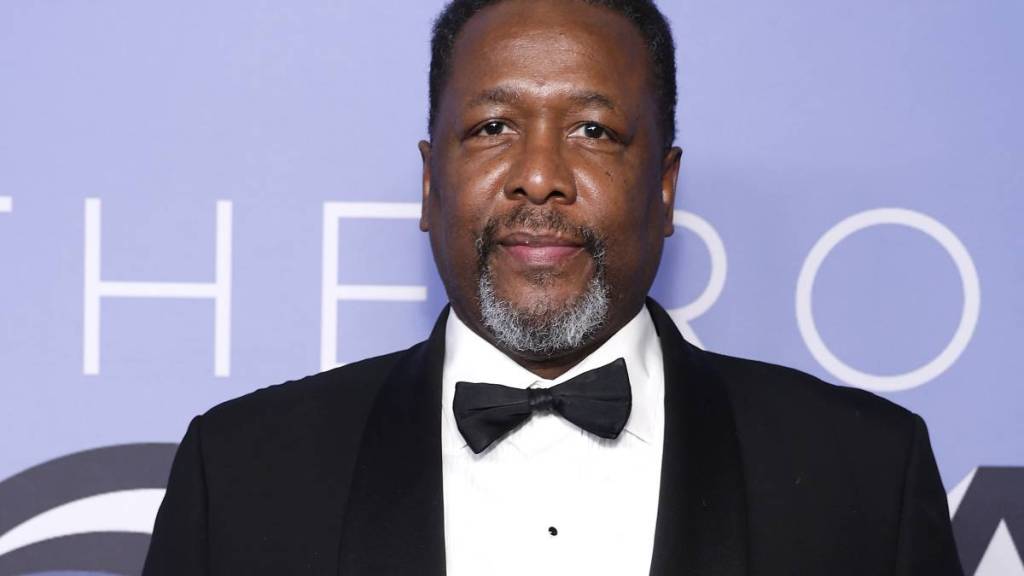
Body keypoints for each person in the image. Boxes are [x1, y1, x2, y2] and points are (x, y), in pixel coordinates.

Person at [143, 0, 963, 574]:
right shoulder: (243, 478)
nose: (539, 176)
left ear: (665, 189)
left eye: (593, 130)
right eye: (493, 127)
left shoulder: (863, 477)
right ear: (429, 185)